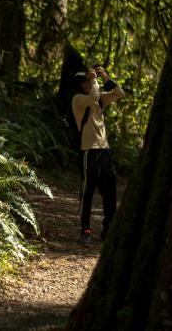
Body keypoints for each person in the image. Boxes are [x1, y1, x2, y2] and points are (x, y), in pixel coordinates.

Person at [72, 66, 125, 244]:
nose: (90, 82)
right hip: (89, 151)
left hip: (105, 152)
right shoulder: (78, 100)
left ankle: (108, 229)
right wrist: (94, 79)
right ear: (81, 84)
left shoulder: (99, 99)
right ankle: (85, 230)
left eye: (90, 80)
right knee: (87, 192)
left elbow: (119, 94)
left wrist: (106, 77)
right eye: (86, 80)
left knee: (110, 193)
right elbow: (93, 95)